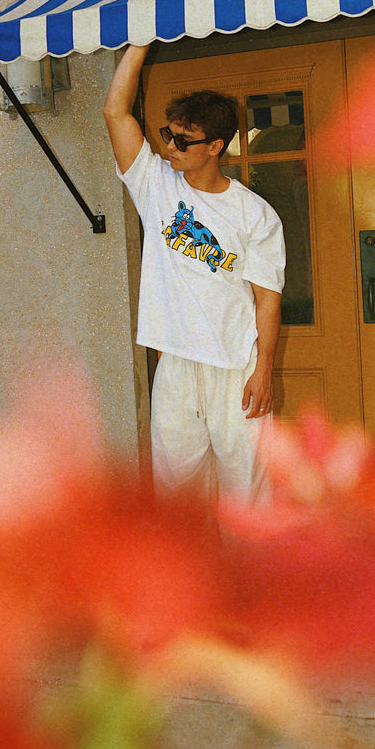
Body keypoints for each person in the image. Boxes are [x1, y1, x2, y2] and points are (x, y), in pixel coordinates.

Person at [103, 42, 286, 501]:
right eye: (168, 134)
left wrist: (264, 369)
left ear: (215, 147)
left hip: (236, 366)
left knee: (247, 487)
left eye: (183, 141)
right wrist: (141, 42)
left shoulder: (254, 215)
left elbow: (267, 298)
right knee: (177, 494)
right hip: (177, 364)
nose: (170, 147)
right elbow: (114, 112)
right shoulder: (156, 187)